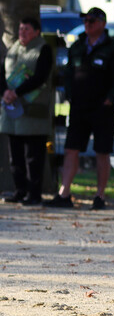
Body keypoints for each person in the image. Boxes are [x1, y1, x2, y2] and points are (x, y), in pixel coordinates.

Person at [44, 7, 114, 210]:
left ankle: (99, 196)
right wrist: (69, 93)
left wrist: (110, 98)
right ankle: (64, 193)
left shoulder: (113, 47)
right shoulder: (78, 45)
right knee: (70, 149)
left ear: (102, 23)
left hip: (103, 108)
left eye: (92, 21)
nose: (87, 24)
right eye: (85, 21)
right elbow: (68, 72)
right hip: (79, 106)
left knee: (102, 151)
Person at [0, 17, 53, 205]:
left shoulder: (43, 49)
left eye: (27, 29)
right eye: (20, 28)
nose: (22, 32)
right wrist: (5, 91)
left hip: (33, 111)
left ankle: (34, 194)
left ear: (37, 31)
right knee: (15, 155)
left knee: (33, 156)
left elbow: (40, 77)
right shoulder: (13, 48)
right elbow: (2, 72)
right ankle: (19, 190)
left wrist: (16, 92)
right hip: (12, 110)